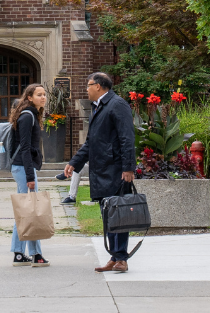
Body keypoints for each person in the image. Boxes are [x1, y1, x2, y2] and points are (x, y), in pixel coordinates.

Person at [64, 72, 135, 272]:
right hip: (102, 169)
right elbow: (91, 142)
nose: (86, 89)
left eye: (88, 85)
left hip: (116, 170)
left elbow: (127, 138)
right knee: (108, 214)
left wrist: (128, 167)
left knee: (118, 213)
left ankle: (121, 258)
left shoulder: (117, 104)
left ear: (99, 86)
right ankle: (114, 257)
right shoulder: (98, 107)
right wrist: (75, 162)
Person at [9, 83, 50, 267]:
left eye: (44, 94)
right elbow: (24, 148)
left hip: (24, 168)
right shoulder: (27, 116)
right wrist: (30, 177)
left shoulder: (31, 114)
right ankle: (35, 255)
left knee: (26, 211)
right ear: (29, 98)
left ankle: (20, 254)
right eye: (39, 94)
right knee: (30, 211)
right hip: (23, 168)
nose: (43, 97)